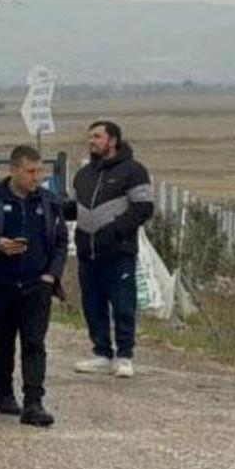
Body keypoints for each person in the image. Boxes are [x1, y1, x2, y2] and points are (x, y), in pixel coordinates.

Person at [0, 146, 66, 427]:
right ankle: (3, 391)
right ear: (14, 170)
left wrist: (52, 275)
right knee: (3, 340)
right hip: (1, 283)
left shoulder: (48, 201)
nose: (36, 177)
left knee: (34, 342)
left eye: (39, 171)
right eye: (30, 171)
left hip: (37, 284)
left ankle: (34, 402)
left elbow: (60, 241)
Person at [64, 121, 153, 378]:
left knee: (123, 304)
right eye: (90, 137)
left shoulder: (133, 171)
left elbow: (143, 207)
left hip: (118, 252)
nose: (91, 141)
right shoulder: (84, 174)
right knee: (92, 304)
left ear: (112, 140)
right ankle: (101, 352)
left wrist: (114, 230)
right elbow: (79, 207)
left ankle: (125, 355)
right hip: (87, 252)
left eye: (97, 136)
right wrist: (60, 209)